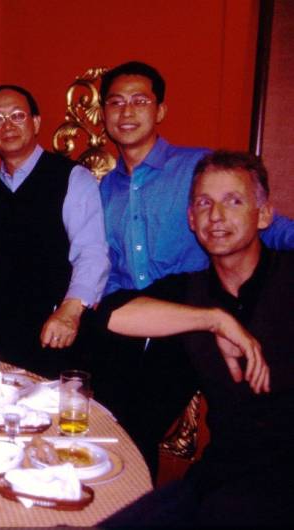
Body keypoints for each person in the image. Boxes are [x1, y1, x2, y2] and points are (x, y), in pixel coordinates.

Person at [95, 61, 294, 478]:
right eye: (115, 102)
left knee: (140, 420)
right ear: (104, 114)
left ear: (160, 110)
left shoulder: (198, 168)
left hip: (192, 318)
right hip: (139, 312)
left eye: (139, 101)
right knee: (100, 419)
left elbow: (267, 227)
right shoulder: (102, 190)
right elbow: (105, 271)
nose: (126, 112)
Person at [99, 151, 294, 525]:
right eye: (204, 203)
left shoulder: (287, 277)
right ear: (191, 219)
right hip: (220, 475)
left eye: (233, 201)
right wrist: (214, 321)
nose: (216, 215)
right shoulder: (192, 292)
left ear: (264, 215)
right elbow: (110, 314)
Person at [0, 85, 108, 377]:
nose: (8, 126)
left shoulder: (72, 178)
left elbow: (92, 252)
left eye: (17, 115)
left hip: (54, 330)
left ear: (36, 123)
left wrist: (70, 311)